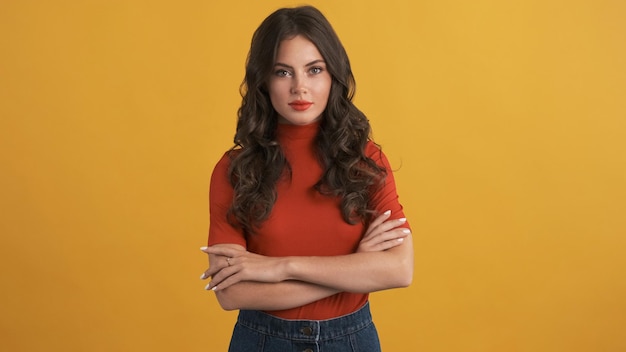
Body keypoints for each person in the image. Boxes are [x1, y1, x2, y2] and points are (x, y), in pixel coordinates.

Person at [200, 5, 413, 351]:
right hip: (262, 341)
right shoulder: (234, 170)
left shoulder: (366, 161)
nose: (300, 87)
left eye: (314, 70)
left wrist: (280, 268)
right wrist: (356, 268)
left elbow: (400, 270)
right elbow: (231, 293)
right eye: (283, 72)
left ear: (333, 75)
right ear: (264, 81)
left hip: (352, 341)